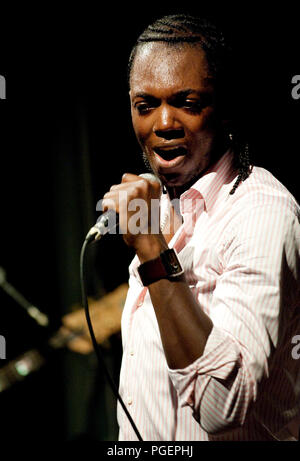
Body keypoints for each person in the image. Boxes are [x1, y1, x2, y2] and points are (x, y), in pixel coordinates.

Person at [99, 14, 300, 441]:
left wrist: (151, 249)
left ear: (225, 108)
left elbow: (220, 406)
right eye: (145, 105)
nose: (163, 123)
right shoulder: (162, 206)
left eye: (187, 103)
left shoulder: (262, 213)